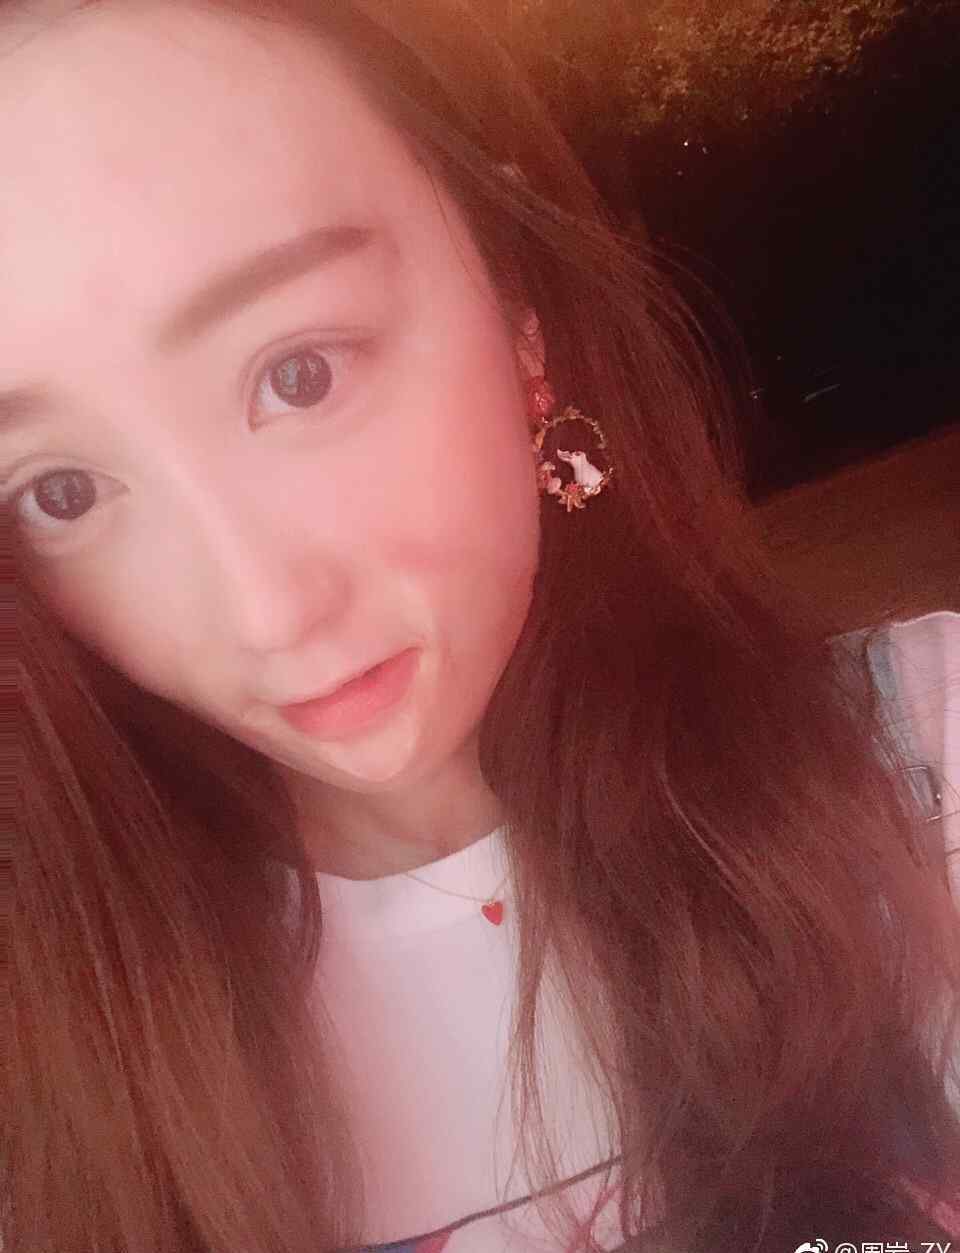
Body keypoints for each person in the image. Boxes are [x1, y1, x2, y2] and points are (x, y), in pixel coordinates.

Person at [5, 1, 960, 1250]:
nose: (265, 610)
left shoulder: (921, 766)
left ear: (519, 311)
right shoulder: (58, 1055)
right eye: (60, 493)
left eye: (300, 373)